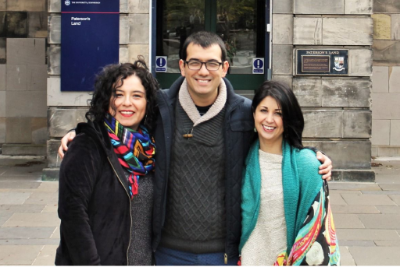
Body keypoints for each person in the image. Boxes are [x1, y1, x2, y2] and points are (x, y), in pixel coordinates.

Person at [59, 31, 332, 266]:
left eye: (212, 63)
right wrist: (77, 134)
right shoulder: (160, 107)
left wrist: (311, 156)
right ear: (182, 65)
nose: (203, 71)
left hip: (222, 254)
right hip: (167, 252)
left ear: (225, 67)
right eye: (195, 62)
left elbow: (275, 136)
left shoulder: (245, 113)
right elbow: (121, 123)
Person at [55, 59, 159, 267]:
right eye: (118, 94)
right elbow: (73, 215)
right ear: (106, 100)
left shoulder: (151, 149)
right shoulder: (87, 145)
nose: (126, 102)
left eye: (136, 95)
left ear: (147, 103)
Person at [239, 81, 340, 266]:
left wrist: (316, 157)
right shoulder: (239, 158)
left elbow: (318, 231)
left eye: (278, 113)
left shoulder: (307, 164)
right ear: (253, 113)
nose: (269, 119)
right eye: (263, 110)